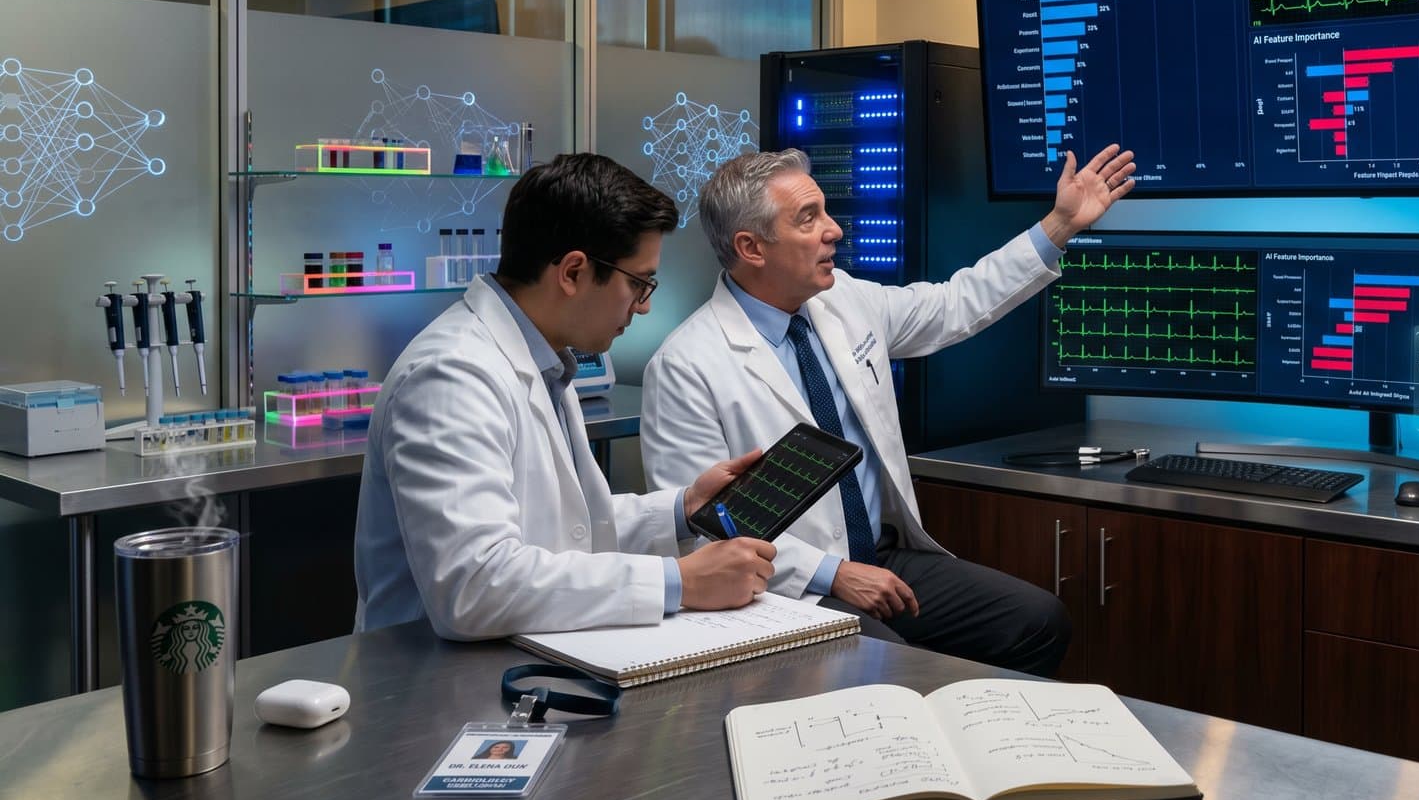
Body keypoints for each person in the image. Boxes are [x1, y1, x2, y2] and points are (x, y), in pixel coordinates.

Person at [641, 145, 1136, 675]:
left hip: (884, 554)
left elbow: (953, 305)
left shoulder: (846, 301)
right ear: (751, 247)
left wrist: (1057, 226)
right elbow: (704, 528)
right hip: (788, 586)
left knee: (1038, 620)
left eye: (827, 211)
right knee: (883, 666)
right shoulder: (686, 364)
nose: (834, 230)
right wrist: (832, 573)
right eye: (809, 219)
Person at [354, 153, 777, 641]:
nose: (644, 307)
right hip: (432, 686)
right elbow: (473, 585)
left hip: (522, 658)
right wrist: (678, 582)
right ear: (573, 272)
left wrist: (683, 508)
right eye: (639, 284)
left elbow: (568, 529)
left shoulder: (543, 360)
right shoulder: (451, 375)